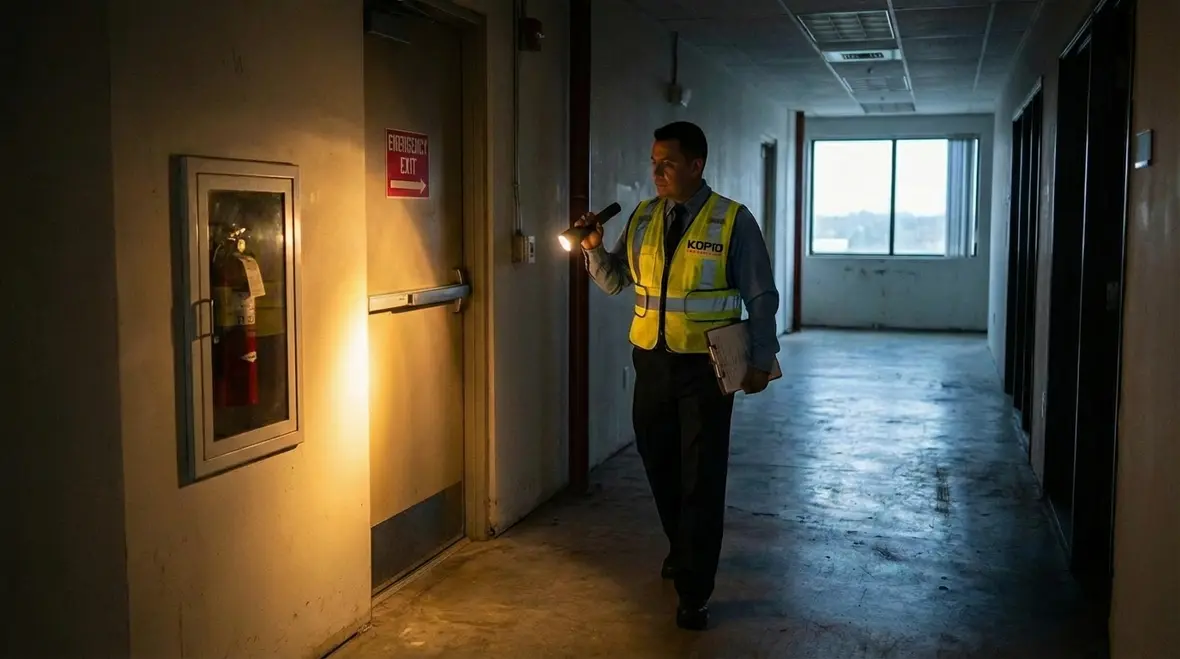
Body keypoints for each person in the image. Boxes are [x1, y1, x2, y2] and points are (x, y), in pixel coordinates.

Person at [575, 121, 780, 630]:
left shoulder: (732, 220)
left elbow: (760, 295)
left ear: (696, 165)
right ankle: (682, 545)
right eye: (653, 162)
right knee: (658, 460)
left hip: (706, 367)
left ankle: (694, 590)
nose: (657, 171)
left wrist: (760, 358)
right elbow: (617, 282)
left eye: (667, 162)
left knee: (702, 477)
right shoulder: (643, 217)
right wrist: (594, 248)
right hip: (653, 360)